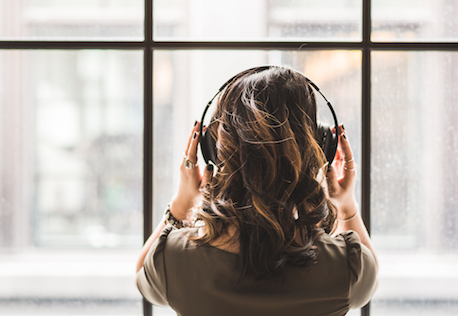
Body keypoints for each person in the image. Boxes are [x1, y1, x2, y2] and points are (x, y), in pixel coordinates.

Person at [136, 66, 378, 316]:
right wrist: (346, 205)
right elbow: (369, 280)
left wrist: (183, 201)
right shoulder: (346, 266)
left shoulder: (173, 260)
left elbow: (143, 274)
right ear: (320, 147)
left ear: (212, 151)